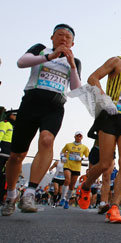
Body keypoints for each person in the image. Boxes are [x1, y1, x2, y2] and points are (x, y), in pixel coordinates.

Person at [2, 24, 82, 216]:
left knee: (47, 140)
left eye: (68, 37)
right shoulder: (40, 49)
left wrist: (71, 66)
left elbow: (76, 89)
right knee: (16, 155)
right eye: (60, 35)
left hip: (54, 106)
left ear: (73, 43)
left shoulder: (75, 60)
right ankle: (11, 194)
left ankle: (29, 192)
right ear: (52, 38)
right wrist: (49, 57)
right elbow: (21, 63)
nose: (64, 39)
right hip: (31, 102)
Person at [77, 33, 121, 223]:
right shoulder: (117, 61)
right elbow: (93, 78)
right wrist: (105, 99)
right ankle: (85, 186)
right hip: (110, 115)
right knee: (105, 164)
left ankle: (114, 207)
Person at [60, 131, 89, 209]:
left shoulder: (84, 147)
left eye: (80, 136)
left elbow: (88, 157)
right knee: (67, 180)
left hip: (76, 168)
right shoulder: (68, 145)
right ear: (75, 136)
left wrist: (81, 158)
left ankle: (67, 200)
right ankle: (62, 198)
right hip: (67, 166)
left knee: (72, 186)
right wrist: (64, 159)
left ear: (82, 137)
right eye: (77, 136)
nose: (78, 137)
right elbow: (62, 153)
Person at [0, 110, 16, 203]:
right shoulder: (4, 124)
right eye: (14, 115)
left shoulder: (13, 127)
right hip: (2, 153)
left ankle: (1, 198)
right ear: (10, 116)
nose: (16, 117)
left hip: (8, 155)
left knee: (4, 178)